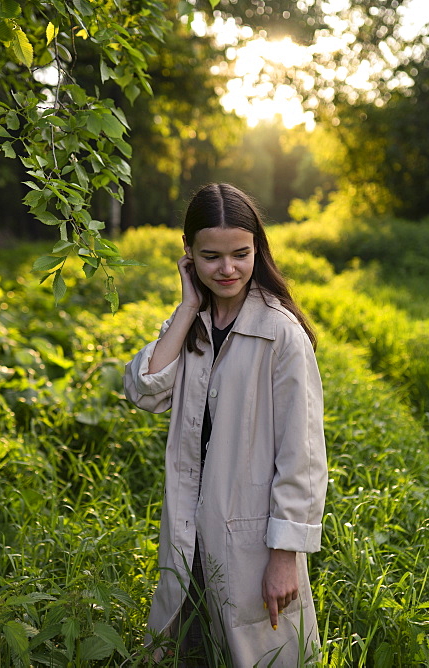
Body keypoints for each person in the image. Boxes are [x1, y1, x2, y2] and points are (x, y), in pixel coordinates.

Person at [123, 183, 328, 666]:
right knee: (191, 648)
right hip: (189, 526)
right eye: (211, 257)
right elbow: (145, 389)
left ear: (257, 248)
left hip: (253, 536)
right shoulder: (192, 324)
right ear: (189, 254)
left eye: (241, 254)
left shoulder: (281, 333)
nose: (228, 269)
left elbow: (303, 454)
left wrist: (284, 557)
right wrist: (188, 305)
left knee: (261, 653)